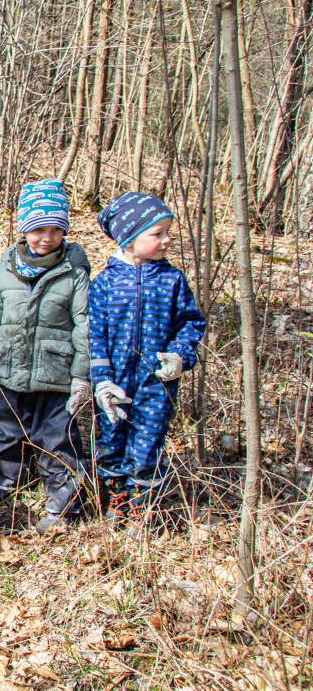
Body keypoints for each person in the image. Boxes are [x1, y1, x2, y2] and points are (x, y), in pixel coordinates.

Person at [0, 180, 92, 533]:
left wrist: (82, 375)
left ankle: (64, 504)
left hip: (56, 375)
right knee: (8, 431)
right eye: (39, 229)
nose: (46, 238)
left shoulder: (75, 272)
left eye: (56, 230)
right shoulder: (7, 267)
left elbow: (84, 326)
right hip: (10, 370)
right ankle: (4, 484)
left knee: (58, 439)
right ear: (25, 229)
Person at [89, 192, 206, 534]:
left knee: (147, 443)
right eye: (157, 233)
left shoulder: (172, 281)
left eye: (168, 231)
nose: (167, 240)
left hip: (157, 384)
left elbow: (190, 322)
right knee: (110, 443)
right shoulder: (105, 284)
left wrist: (180, 356)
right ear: (128, 237)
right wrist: (102, 381)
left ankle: (141, 509)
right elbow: (94, 336)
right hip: (115, 384)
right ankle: (116, 500)